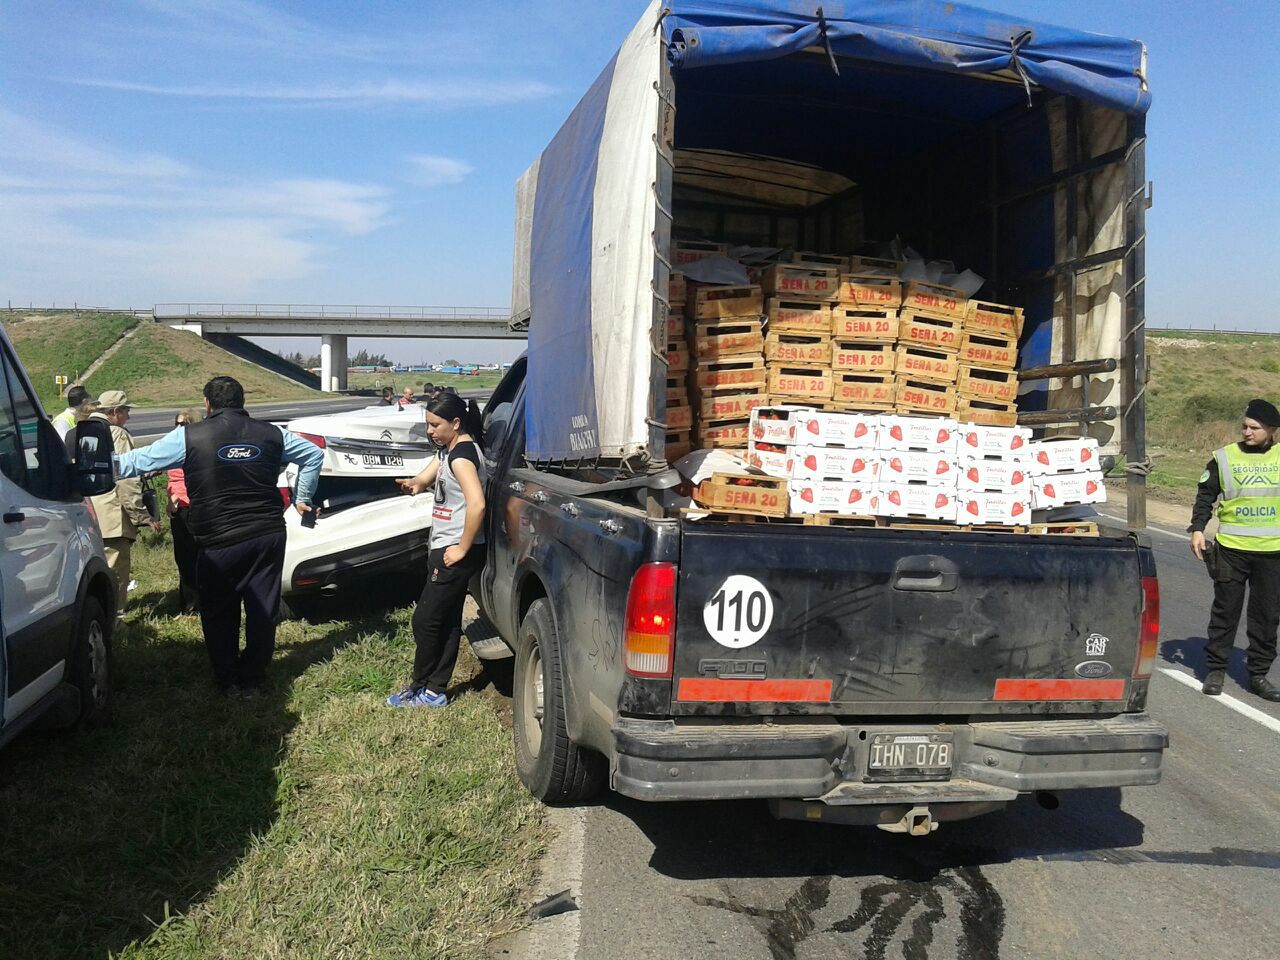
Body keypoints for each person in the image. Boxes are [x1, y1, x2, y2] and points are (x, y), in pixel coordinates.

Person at [114, 377, 324, 698]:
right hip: (266, 533)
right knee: (262, 607)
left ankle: (228, 680)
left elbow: (135, 463)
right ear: (243, 403)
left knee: (219, 610)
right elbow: (313, 455)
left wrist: (88, 465)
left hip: (218, 539)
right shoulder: (273, 434)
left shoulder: (188, 437)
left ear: (207, 404)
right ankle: (253, 676)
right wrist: (302, 496)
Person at [386, 392, 487, 708]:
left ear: (455, 423)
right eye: (427, 424)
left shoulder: (461, 456)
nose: (429, 431)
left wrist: (462, 547)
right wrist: (417, 482)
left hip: (453, 551)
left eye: (434, 425)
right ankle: (434, 691)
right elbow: (435, 467)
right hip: (445, 545)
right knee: (446, 621)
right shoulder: (450, 450)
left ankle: (422, 686)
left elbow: (478, 504)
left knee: (426, 621)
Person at [1190, 398, 1280, 702]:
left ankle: (1258, 674)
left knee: (1266, 617)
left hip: (1273, 552)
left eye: (1254, 427)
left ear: (1272, 430)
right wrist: (1198, 529)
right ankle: (1215, 669)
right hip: (1232, 549)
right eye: (1244, 426)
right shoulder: (1224, 458)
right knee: (1225, 612)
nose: (1247, 431)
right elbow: (1205, 496)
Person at [89, 390, 160, 616]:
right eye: (126, 411)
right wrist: (141, 516)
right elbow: (125, 479)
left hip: (87, 514)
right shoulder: (117, 434)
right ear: (115, 412)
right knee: (115, 572)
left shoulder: (77, 431)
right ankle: (115, 618)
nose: (128, 416)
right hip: (112, 515)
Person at [167, 407, 204, 613]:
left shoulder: (197, 446)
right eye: (177, 423)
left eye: (184, 424)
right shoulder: (173, 445)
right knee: (183, 557)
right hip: (178, 507)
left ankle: (198, 604)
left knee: (198, 556)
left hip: (196, 505)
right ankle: (188, 605)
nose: (179, 427)